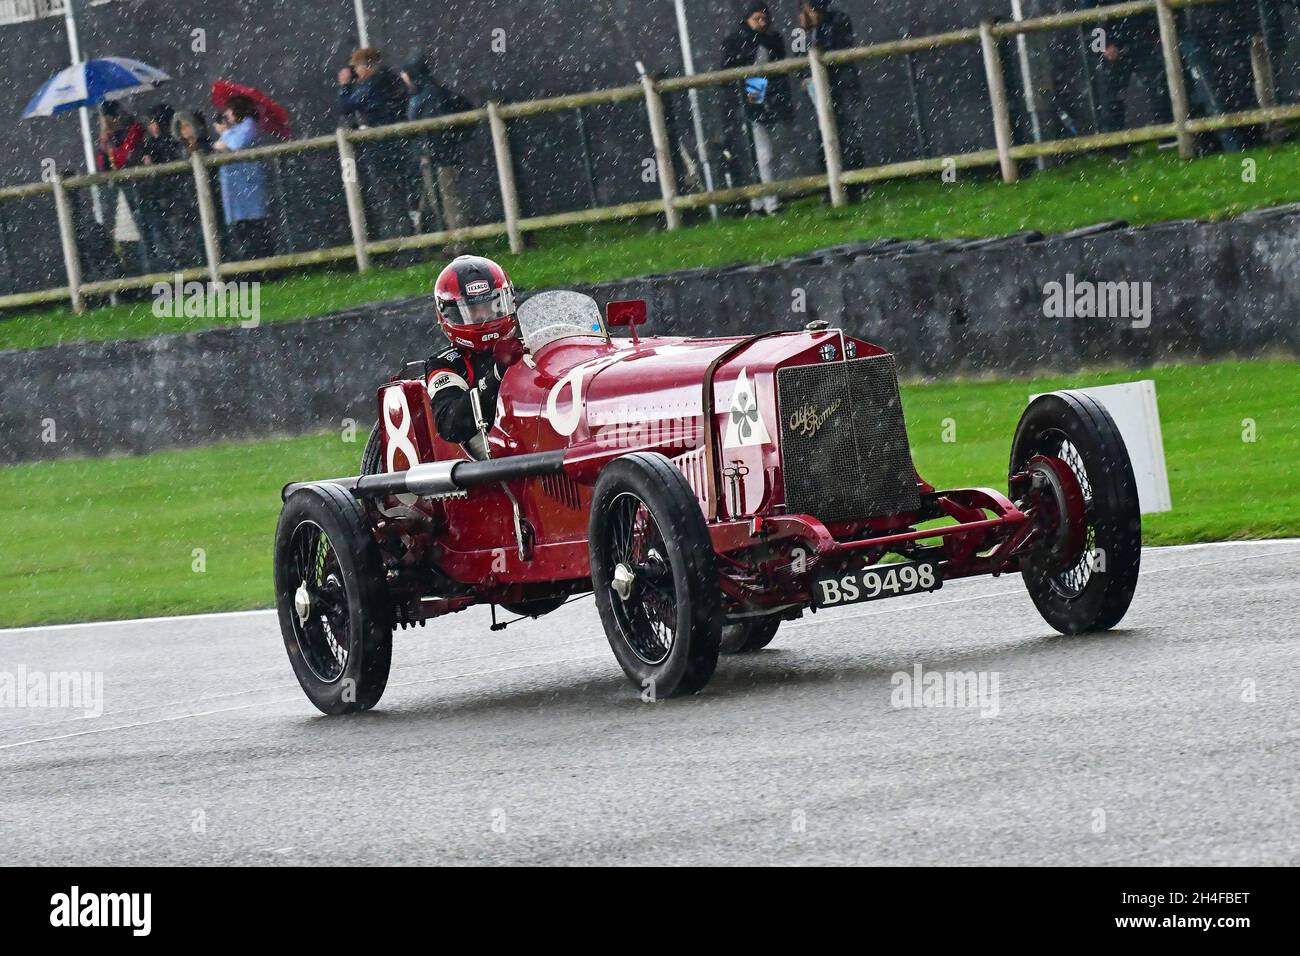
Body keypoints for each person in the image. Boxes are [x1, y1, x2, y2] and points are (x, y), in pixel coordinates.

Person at [426, 255, 526, 452]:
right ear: (450, 314)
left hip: (536, 430)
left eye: (490, 306)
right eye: (473, 310)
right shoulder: (445, 364)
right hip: (492, 454)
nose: (483, 316)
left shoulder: (525, 345)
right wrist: (496, 376)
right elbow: (450, 425)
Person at [721, 1, 794, 215]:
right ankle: (768, 202)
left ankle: (763, 200)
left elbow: (779, 66)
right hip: (752, 90)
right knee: (762, 152)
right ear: (747, 19)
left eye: (764, 19)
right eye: (757, 19)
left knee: (774, 148)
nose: (762, 23)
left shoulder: (773, 39)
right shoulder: (735, 40)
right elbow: (728, 71)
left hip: (771, 91)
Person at [1080, 0, 1167, 157]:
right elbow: (1088, 16)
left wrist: (1153, 30)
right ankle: (1117, 148)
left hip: (1140, 35)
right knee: (1112, 96)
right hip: (1117, 39)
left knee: (1159, 84)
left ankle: (1168, 135)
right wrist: (1103, 45)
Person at [338, 47, 410, 237]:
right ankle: (408, 243)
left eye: (358, 67)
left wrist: (345, 86)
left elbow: (346, 106)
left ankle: (401, 244)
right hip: (397, 145)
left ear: (367, 66)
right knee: (399, 196)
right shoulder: (391, 80)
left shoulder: (374, 85)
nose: (356, 72)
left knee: (389, 199)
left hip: (382, 148)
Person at [800, 0, 868, 199]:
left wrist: (816, 36)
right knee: (824, 137)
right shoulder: (802, 30)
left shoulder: (838, 20)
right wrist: (805, 75)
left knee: (848, 135)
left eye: (811, 8)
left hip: (842, 86)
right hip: (821, 89)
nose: (809, 12)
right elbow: (799, 55)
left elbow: (836, 48)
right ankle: (830, 189)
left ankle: (856, 186)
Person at [401, 56, 473, 237]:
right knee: (439, 199)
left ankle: (459, 241)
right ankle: (451, 240)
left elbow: (430, 126)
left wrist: (430, 148)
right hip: (437, 153)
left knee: (448, 199)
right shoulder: (431, 92)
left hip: (438, 154)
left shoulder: (428, 95)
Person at [212, 94, 274, 261]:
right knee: (242, 229)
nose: (227, 114)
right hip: (236, 187)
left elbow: (235, 145)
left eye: (229, 110)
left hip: (247, 185)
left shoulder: (249, 126)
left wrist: (223, 136)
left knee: (255, 228)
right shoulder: (236, 129)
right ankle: (253, 265)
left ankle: (265, 265)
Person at [137, 104, 187, 270]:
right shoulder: (153, 143)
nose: (150, 126)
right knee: (169, 238)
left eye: (152, 122)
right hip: (162, 197)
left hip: (171, 196)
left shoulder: (172, 142)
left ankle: (181, 269)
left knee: (175, 238)